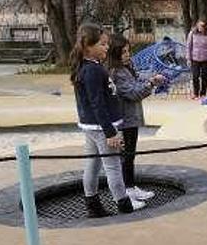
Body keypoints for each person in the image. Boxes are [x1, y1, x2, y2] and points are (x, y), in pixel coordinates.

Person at [71, 24, 145, 217]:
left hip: (92, 127)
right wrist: (110, 132)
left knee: (93, 165)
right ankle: (123, 203)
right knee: (112, 165)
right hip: (102, 127)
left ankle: (92, 203)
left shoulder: (91, 67)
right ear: (88, 46)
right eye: (102, 44)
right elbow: (98, 104)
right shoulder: (93, 71)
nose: (106, 48)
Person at [106, 34, 165, 201]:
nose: (127, 54)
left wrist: (152, 79)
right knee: (126, 157)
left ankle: (130, 187)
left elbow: (138, 79)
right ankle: (126, 190)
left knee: (130, 155)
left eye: (128, 51)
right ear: (115, 54)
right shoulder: (116, 72)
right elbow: (133, 93)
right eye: (123, 52)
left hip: (130, 119)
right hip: (124, 121)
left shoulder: (127, 67)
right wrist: (152, 84)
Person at [187, 20, 207, 98]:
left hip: (205, 59)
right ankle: (196, 93)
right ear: (197, 26)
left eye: (203, 26)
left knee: (204, 76)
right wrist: (188, 58)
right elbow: (188, 47)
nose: (202, 27)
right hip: (195, 58)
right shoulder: (192, 34)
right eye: (200, 25)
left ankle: (203, 93)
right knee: (195, 76)